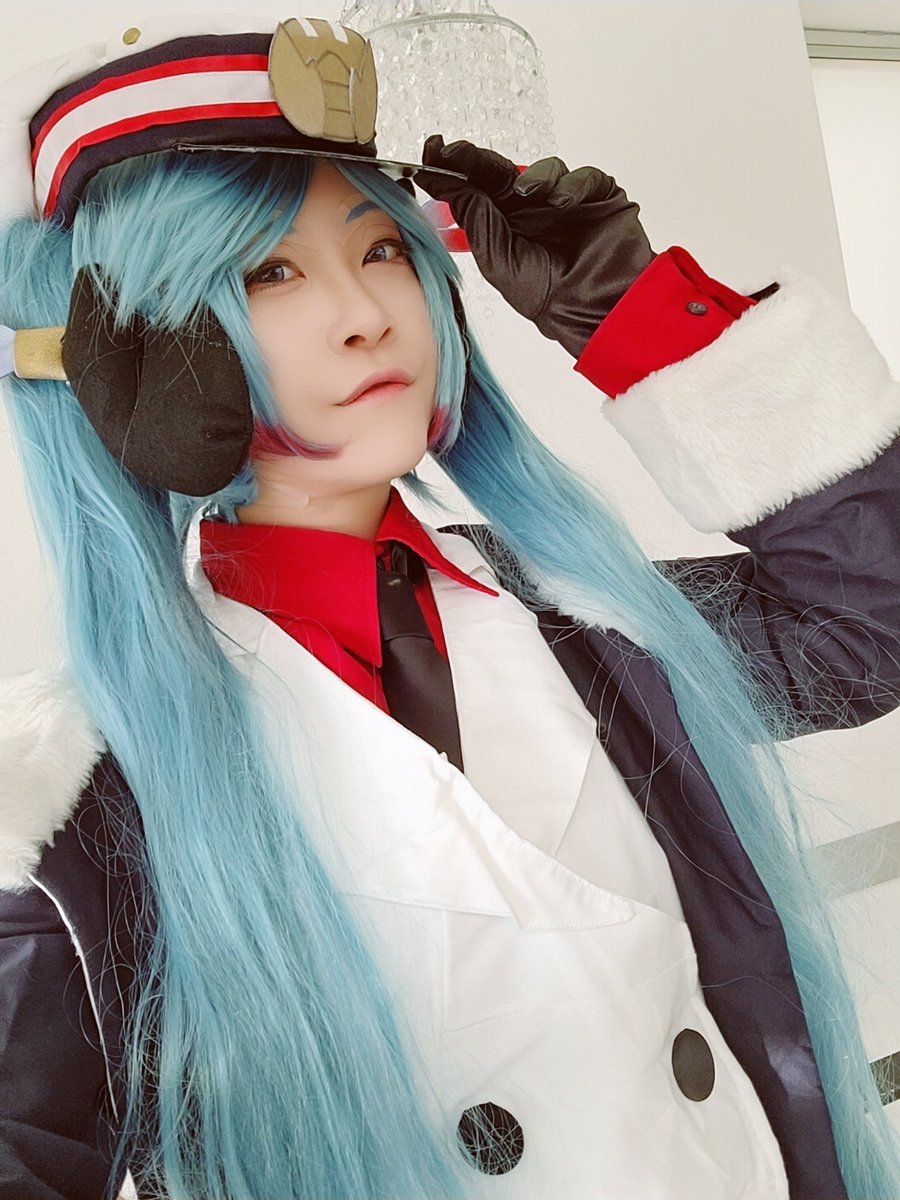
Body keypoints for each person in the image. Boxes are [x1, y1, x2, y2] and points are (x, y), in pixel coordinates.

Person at [0, 12, 898, 1200]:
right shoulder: (70, 797)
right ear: (142, 357)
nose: (367, 312)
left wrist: (633, 312)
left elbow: (865, 618)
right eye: (269, 272)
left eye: (382, 249)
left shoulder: (587, 624)